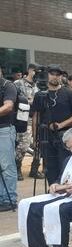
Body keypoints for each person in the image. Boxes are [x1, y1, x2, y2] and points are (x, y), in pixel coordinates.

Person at [29, 65, 72, 187]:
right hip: (46, 136)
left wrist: (61, 125)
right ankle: (54, 189)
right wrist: (35, 136)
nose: (55, 77)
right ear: (47, 75)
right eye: (52, 74)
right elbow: (35, 116)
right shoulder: (40, 94)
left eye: (58, 74)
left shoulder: (68, 92)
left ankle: (66, 190)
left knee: (66, 164)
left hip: (65, 136)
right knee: (50, 167)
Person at [0, 67, 19, 211]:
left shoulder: (8, 86)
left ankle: (10, 199)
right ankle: (2, 198)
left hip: (5, 130)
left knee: (7, 166)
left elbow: (8, 107)